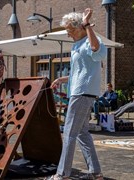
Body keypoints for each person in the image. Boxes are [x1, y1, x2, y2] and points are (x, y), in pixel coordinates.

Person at [48, 8, 106, 180]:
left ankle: (62, 174)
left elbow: (96, 50)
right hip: (79, 91)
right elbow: (78, 71)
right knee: (81, 133)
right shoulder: (76, 45)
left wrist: (88, 25)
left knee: (69, 133)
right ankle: (96, 173)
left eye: (71, 30)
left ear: (80, 27)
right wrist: (62, 80)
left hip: (83, 92)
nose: (68, 34)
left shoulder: (90, 40)